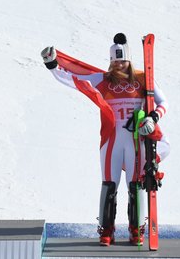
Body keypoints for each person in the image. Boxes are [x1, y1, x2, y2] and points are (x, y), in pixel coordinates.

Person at [40, 33, 169, 246]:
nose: (118, 65)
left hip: (136, 140)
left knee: (135, 185)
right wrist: (53, 65)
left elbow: (163, 101)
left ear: (128, 60)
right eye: (114, 61)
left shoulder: (142, 78)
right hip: (111, 141)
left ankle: (136, 230)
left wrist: (153, 118)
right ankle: (106, 231)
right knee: (109, 184)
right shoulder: (102, 80)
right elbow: (74, 79)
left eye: (122, 60)